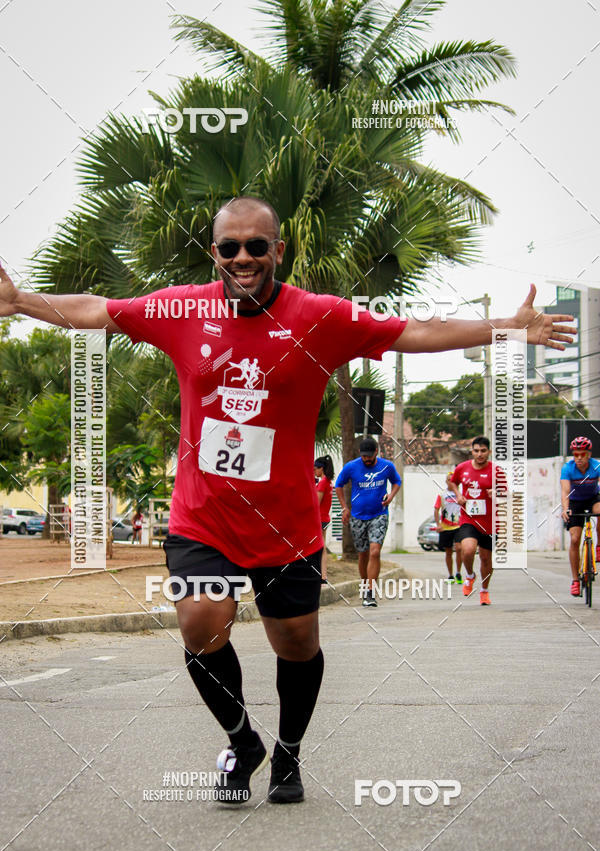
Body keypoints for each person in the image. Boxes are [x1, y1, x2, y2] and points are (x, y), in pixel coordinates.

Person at [0, 195, 575, 806]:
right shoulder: (177, 309)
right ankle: (243, 741)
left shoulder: (319, 317)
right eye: (229, 247)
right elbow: (98, 310)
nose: (243, 257)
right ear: (214, 253)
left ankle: (288, 755)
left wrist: (507, 327)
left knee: (295, 644)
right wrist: (21, 304)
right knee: (199, 621)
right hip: (204, 518)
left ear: (278, 249)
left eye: (256, 246)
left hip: (287, 526)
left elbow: (416, 331)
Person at [334, 438, 401, 607]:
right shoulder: (351, 466)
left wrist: (391, 496)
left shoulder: (387, 466)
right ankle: (365, 587)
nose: (367, 459)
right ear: (360, 455)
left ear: (376, 452)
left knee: (375, 552)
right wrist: (344, 508)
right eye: (364, 457)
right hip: (357, 516)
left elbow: (397, 482)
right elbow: (338, 485)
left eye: (370, 456)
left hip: (379, 514)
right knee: (363, 554)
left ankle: (370, 591)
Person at [448, 436, 505, 606]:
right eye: (476, 451)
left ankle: (484, 591)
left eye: (483, 451)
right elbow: (453, 483)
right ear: (471, 451)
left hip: (490, 521)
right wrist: (458, 495)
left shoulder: (496, 471)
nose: (480, 454)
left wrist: (496, 494)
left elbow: (506, 494)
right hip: (469, 519)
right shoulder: (462, 468)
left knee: (487, 559)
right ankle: (470, 575)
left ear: (489, 452)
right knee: (467, 550)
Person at [560, 436, 600, 597]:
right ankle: (575, 580)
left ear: (588, 455)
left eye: (582, 455)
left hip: (593, 499)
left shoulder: (596, 466)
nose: (579, 458)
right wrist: (565, 509)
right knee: (575, 539)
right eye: (576, 455)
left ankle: (598, 547)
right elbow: (565, 491)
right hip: (575, 502)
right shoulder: (567, 468)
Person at [433, 473, 463, 584]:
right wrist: (438, 524)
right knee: (448, 551)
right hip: (446, 527)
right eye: (449, 480)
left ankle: (458, 572)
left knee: (459, 548)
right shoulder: (442, 494)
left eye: (453, 480)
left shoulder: (462, 494)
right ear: (446, 482)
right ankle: (450, 575)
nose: (451, 482)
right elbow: (436, 509)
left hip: (459, 526)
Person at [314, 455, 334, 584]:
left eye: (315, 468)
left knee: (318, 548)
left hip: (319, 518)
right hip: (325, 517)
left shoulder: (322, 483)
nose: (314, 471)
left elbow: (316, 502)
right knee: (322, 547)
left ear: (321, 468)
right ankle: (323, 575)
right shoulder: (329, 482)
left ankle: (321, 575)